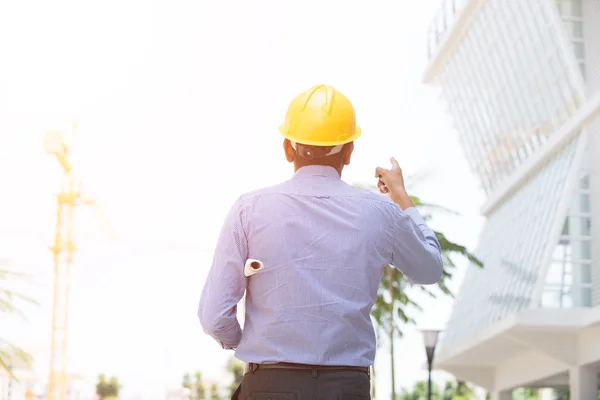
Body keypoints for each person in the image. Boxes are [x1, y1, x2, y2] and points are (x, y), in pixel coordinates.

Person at [198, 84, 443, 400]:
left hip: (268, 385)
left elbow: (214, 316)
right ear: (349, 151)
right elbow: (429, 269)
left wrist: (253, 346)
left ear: (288, 148)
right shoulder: (381, 213)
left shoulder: (250, 209)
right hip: (345, 388)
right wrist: (400, 195)